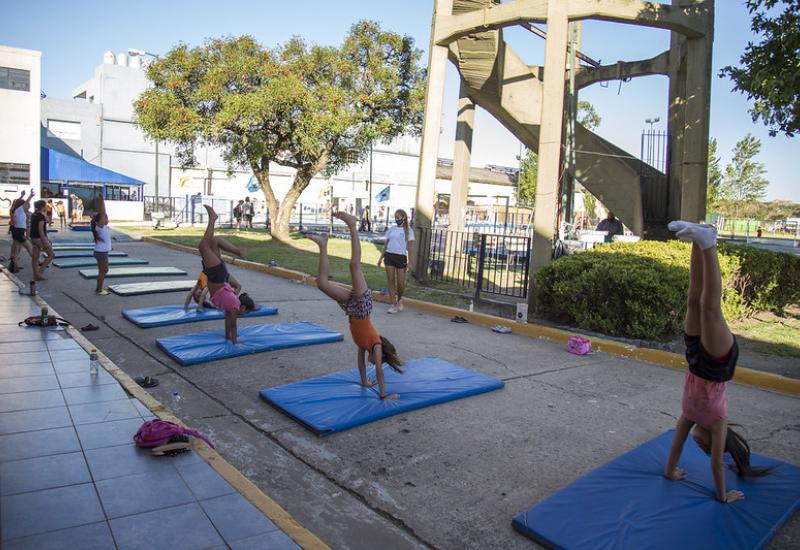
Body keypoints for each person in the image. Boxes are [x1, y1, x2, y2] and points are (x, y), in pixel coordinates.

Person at [664, 220, 771, 503]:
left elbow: (675, 447)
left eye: (697, 444)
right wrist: (723, 495)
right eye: (704, 445)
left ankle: (697, 242)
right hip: (717, 363)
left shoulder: (688, 416)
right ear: (714, 441)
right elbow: (715, 464)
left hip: (695, 357)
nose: (697, 443)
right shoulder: (718, 422)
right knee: (710, 307)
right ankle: (709, 242)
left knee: (693, 301)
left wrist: (669, 472)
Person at [306, 211, 403, 400]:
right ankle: (352, 224)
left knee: (322, 283)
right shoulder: (375, 344)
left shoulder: (363, 345)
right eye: (376, 362)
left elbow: (360, 364)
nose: (373, 364)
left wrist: (364, 381)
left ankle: (323, 244)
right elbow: (380, 373)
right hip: (363, 306)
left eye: (373, 364)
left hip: (351, 309)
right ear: (380, 355)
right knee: (354, 265)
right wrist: (384, 394)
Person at [198, 205, 255, 343]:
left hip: (218, 275)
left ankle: (239, 252)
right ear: (242, 307)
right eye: (245, 312)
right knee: (203, 247)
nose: (243, 315)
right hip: (216, 275)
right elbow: (233, 325)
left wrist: (227, 336)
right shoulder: (234, 305)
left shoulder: (231, 305)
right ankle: (213, 219)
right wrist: (234, 342)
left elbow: (227, 321)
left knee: (214, 242)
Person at [377, 209, 414, 314]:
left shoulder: (408, 230)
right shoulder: (392, 229)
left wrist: (410, 262)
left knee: (401, 283)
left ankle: (399, 299)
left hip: (401, 257)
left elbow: (410, 248)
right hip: (389, 256)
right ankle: (393, 303)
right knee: (390, 279)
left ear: (404, 217)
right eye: (395, 217)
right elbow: (386, 244)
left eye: (398, 217)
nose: (396, 219)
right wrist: (380, 258)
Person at [8, 190, 35, 273]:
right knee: (29, 248)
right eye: (26, 206)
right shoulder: (19, 210)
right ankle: (38, 263)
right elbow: (25, 203)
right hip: (18, 231)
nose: (28, 207)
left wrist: (22, 196)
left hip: (17, 231)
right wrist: (30, 195)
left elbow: (16, 203)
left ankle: (13, 266)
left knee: (16, 249)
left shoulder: (18, 211)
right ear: (21, 206)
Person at [91, 194, 112, 295]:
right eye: (105, 218)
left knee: (103, 271)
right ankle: (98, 289)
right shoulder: (99, 227)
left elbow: (103, 214)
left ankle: (98, 288)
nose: (107, 219)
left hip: (102, 252)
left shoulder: (104, 228)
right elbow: (103, 212)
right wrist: (102, 200)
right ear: (100, 221)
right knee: (104, 270)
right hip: (101, 253)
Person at [30, 200, 53, 280]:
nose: (46, 207)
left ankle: (35, 274)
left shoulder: (34, 215)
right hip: (39, 239)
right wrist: (45, 241)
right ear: (42, 207)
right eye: (45, 205)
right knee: (51, 255)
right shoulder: (41, 217)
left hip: (33, 238)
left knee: (35, 257)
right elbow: (41, 230)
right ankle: (39, 273)